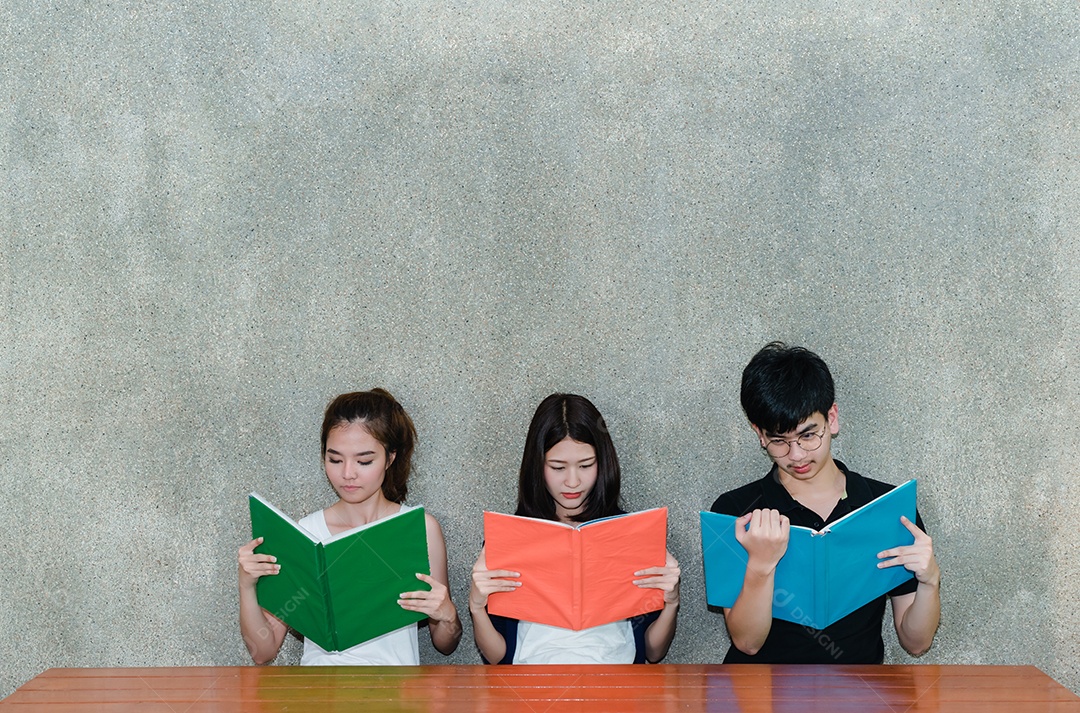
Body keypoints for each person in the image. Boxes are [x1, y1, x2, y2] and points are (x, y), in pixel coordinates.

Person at [711, 342, 941, 664]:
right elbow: (748, 642)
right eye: (779, 441)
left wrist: (929, 580)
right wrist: (761, 565)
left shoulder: (885, 507)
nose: (797, 455)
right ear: (759, 434)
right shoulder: (735, 512)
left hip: (858, 693)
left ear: (831, 419)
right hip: (761, 696)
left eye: (808, 435)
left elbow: (915, 642)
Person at [238, 389, 462, 664]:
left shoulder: (420, 529)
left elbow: (445, 644)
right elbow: (263, 651)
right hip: (321, 696)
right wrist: (246, 585)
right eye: (335, 459)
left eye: (364, 461)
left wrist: (447, 614)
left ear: (390, 458)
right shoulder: (305, 533)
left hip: (395, 696)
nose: (347, 474)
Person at [469, 393, 681, 664]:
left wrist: (671, 602)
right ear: (537, 465)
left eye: (586, 465)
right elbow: (498, 656)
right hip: (533, 686)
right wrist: (477, 607)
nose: (572, 481)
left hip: (617, 685)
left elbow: (653, 652)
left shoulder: (632, 533)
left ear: (603, 463)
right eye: (557, 467)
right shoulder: (511, 537)